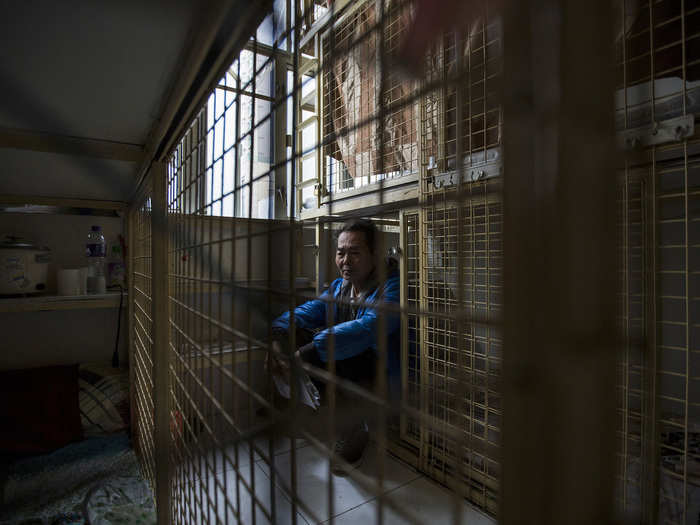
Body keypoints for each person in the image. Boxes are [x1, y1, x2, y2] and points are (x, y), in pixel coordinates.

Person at [269, 218, 400, 474]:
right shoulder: (342, 286)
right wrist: (277, 335)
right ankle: (309, 413)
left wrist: (306, 353)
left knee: (320, 350)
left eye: (355, 253)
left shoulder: (392, 286)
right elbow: (310, 310)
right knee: (293, 336)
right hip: (347, 364)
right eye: (341, 253)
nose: (345, 261)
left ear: (374, 255)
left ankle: (355, 430)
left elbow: (370, 327)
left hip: (380, 374)